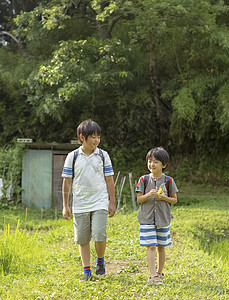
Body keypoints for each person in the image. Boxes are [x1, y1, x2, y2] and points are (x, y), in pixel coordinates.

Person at [62, 119, 116, 281]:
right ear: (82, 137)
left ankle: (100, 261)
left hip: (100, 201)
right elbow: (67, 182)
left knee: (99, 234)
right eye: (93, 137)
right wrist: (65, 206)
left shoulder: (103, 155)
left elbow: (109, 180)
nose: (96, 140)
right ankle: (87, 271)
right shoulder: (73, 157)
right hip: (80, 203)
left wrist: (111, 202)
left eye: (98, 137)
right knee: (83, 238)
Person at [135, 147, 178, 285]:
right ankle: (153, 276)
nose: (151, 164)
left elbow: (174, 200)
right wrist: (149, 194)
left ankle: (160, 273)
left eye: (156, 162)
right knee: (151, 246)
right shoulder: (143, 179)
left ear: (163, 165)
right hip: (146, 219)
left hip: (163, 219)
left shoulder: (169, 181)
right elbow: (139, 199)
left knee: (161, 246)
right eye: (149, 161)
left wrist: (164, 197)